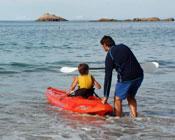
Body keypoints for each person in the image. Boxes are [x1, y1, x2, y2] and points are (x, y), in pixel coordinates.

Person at [100, 35, 144, 118]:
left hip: (126, 78)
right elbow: (130, 60)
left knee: (117, 99)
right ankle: (135, 117)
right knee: (130, 97)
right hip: (139, 75)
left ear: (105, 45)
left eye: (102, 46)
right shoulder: (124, 46)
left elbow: (108, 77)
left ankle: (118, 119)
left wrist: (106, 95)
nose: (103, 49)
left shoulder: (109, 56)